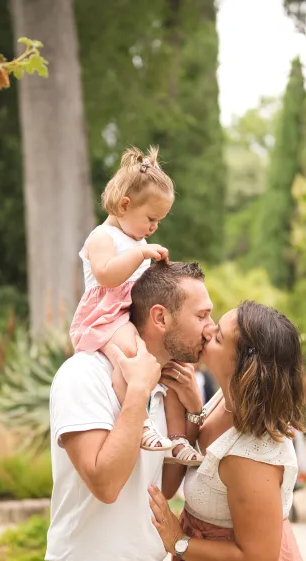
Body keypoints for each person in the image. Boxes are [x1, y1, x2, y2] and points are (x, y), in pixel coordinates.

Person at [39, 261, 215, 561]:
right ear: (160, 317)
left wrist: (190, 409)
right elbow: (106, 484)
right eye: (202, 315)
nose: (210, 327)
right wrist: (137, 391)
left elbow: (163, 487)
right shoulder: (84, 376)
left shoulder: (166, 385)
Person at [147, 300, 306, 561]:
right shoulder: (227, 399)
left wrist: (178, 542)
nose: (207, 330)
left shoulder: (252, 455)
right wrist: (193, 409)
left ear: (243, 365)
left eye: (219, 337)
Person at [68, 145, 201, 467]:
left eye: (159, 222)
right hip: (107, 316)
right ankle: (139, 421)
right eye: (151, 219)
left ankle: (178, 438)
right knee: (130, 353)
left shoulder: (139, 240)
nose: (154, 228)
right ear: (125, 205)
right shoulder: (102, 237)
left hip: (132, 314)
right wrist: (140, 254)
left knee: (172, 366)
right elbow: (106, 275)